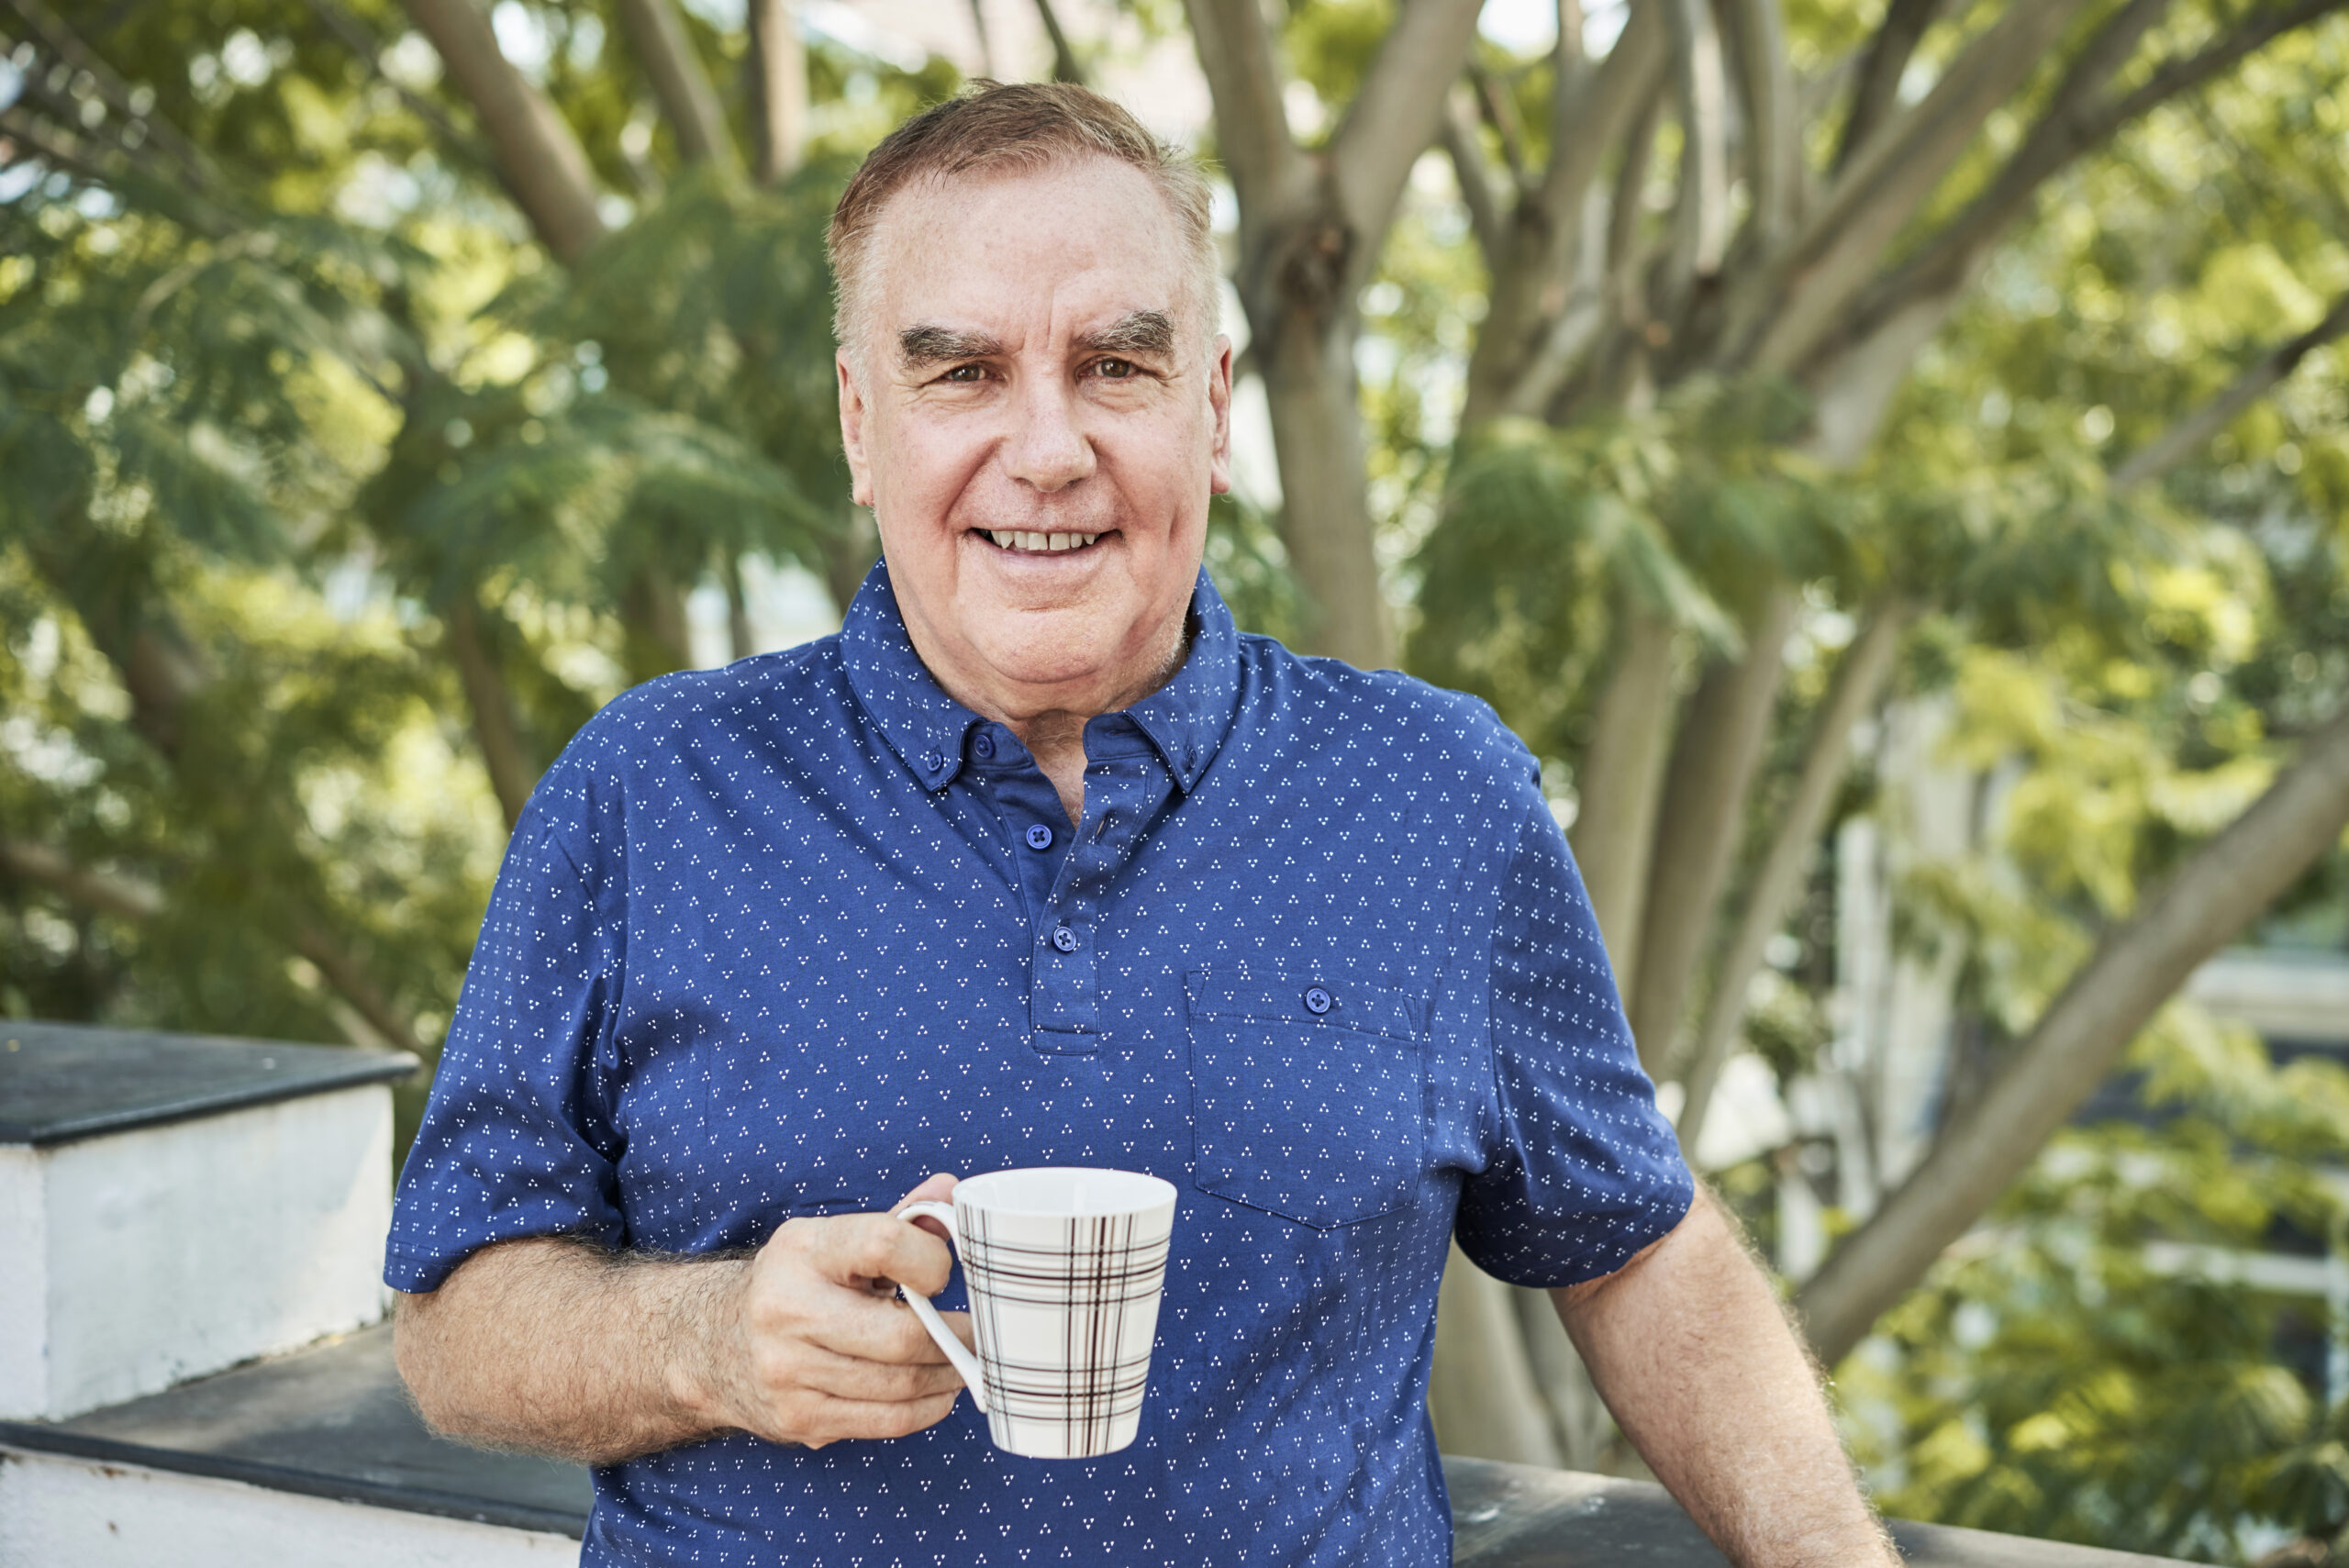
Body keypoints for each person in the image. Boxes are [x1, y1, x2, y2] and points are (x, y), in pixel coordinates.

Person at [388, 82, 1898, 1567]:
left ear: (1213, 406)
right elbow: (453, 1320)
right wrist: (709, 1339)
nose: (1047, 449)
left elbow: (1631, 1245)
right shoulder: (650, 787)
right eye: (961, 372)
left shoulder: (1436, 794)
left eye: (1115, 365)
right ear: (861, 422)